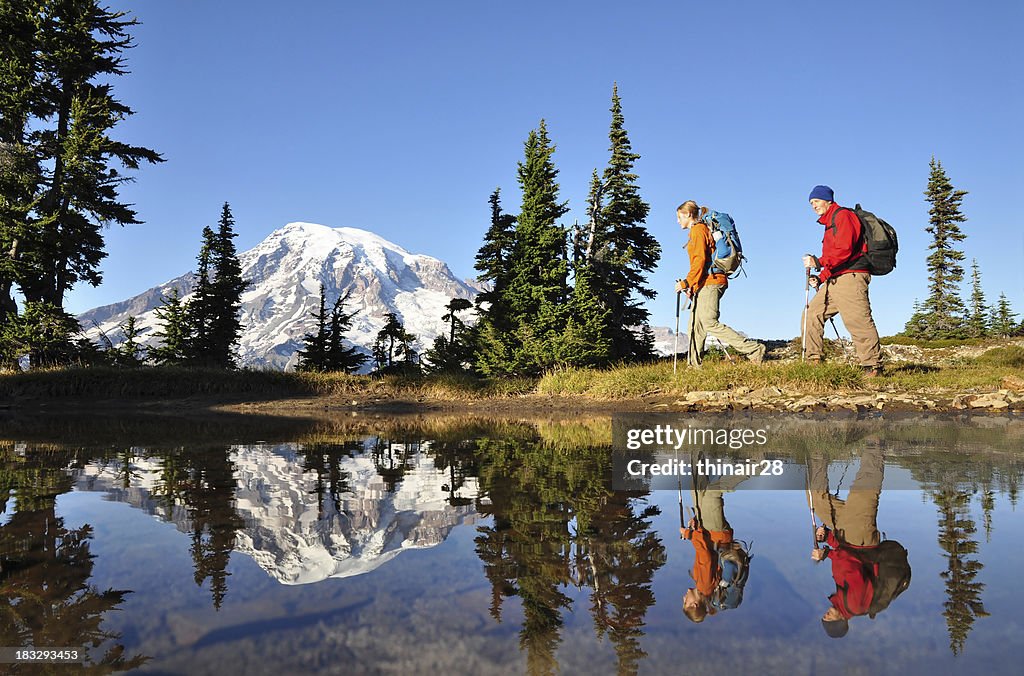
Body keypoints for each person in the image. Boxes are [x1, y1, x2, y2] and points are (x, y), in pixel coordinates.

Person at [808, 447, 909, 638]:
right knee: (864, 490)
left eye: (824, 618)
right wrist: (826, 554)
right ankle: (875, 442)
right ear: (842, 621)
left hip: (847, 538)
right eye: (829, 620)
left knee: (816, 500)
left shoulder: (841, 599)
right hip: (860, 540)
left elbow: (845, 556)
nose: (826, 615)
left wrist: (828, 537)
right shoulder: (854, 604)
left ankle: (818, 448)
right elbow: (852, 565)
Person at [802, 185, 883, 376]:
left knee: (857, 320)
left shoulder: (843, 216)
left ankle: (872, 367)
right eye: (811, 203)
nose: (813, 205)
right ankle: (813, 361)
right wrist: (820, 277)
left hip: (851, 276)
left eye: (816, 201)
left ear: (828, 200)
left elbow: (845, 249)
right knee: (811, 314)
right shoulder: (830, 223)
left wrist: (818, 261)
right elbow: (834, 257)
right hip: (835, 279)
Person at [675, 201, 766, 367]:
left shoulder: (698, 230)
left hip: (712, 281)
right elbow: (703, 261)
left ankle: (754, 350)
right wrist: (692, 286)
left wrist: (687, 282)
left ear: (688, 214)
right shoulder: (700, 230)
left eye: (679, 217)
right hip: (706, 281)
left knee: (709, 322)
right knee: (695, 325)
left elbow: (700, 260)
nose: (678, 221)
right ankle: (693, 365)